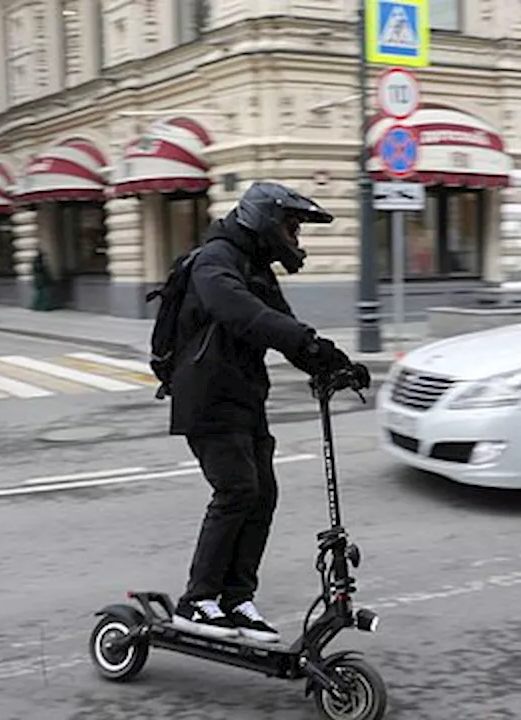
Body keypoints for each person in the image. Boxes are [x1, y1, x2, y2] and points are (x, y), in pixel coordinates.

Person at [167, 181, 360, 643]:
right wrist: (307, 342)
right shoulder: (215, 262)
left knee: (263, 494)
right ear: (265, 222)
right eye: (291, 227)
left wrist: (328, 362)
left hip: (245, 398)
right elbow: (242, 313)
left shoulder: (253, 265)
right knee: (237, 490)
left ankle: (234, 598)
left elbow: (282, 322)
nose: (296, 238)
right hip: (208, 400)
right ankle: (196, 600)